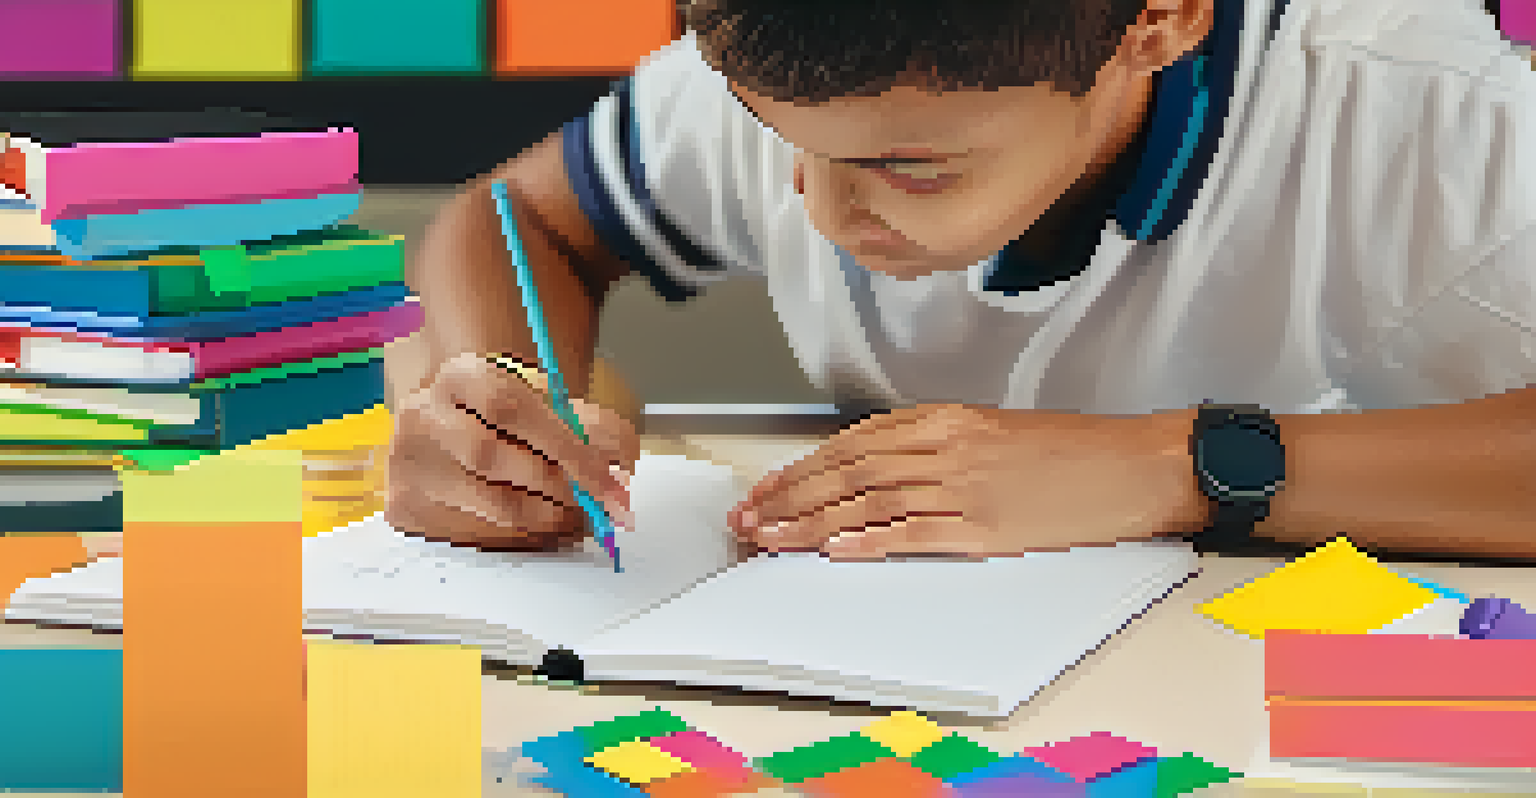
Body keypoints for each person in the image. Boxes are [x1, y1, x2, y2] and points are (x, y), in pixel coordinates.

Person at [387, 0, 1536, 561]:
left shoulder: (1447, 134)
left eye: (910, 168)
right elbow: (513, 216)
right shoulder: (812, 48)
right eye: (776, 136)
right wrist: (490, 390)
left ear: (1159, 22)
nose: (819, 208)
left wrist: (1172, 468)